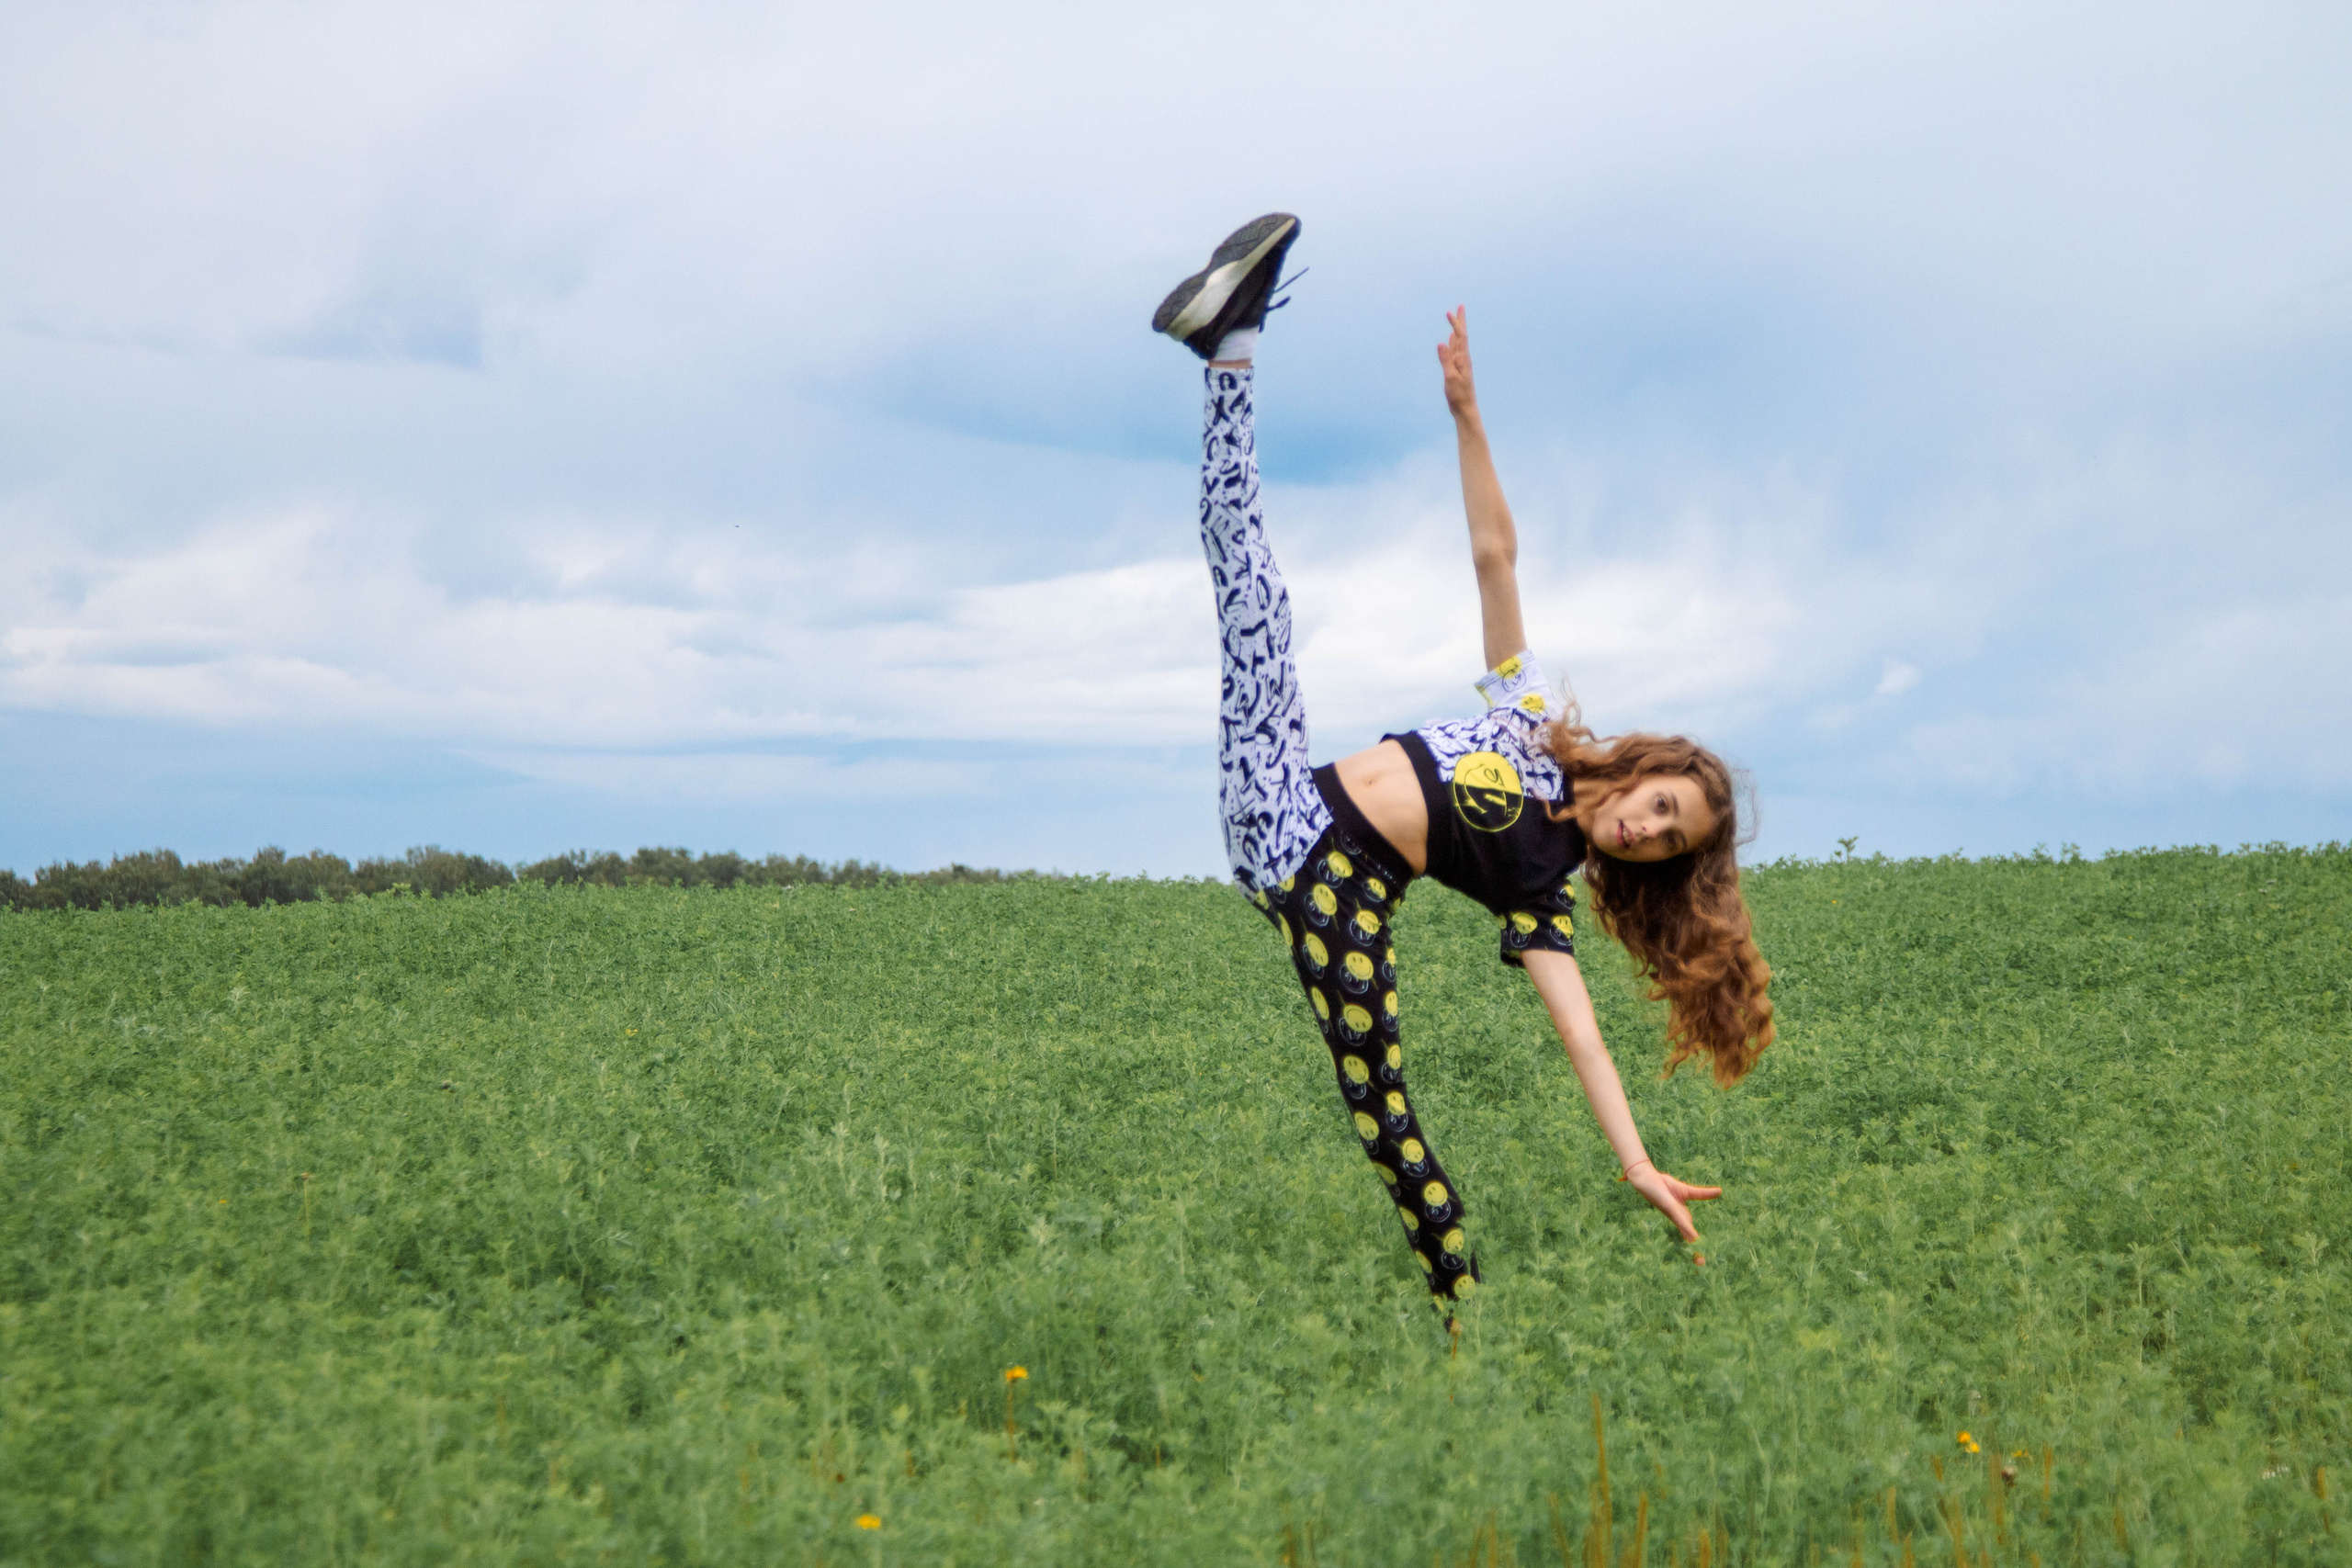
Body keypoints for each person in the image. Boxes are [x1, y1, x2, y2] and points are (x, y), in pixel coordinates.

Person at [1154, 213, 1776, 1321]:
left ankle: (1467, 1320)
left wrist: (1635, 1160)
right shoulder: (1532, 718)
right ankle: (1229, 343)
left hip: (1317, 879)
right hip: (1297, 795)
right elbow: (1496, 555)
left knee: (1384, 1113)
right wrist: (1468, 415)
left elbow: (1578, 1031)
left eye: (1666, 841)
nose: (1644, 830)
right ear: (1645, 770)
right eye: (1660, 807)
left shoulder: (1542, 887)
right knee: (1258, 602)